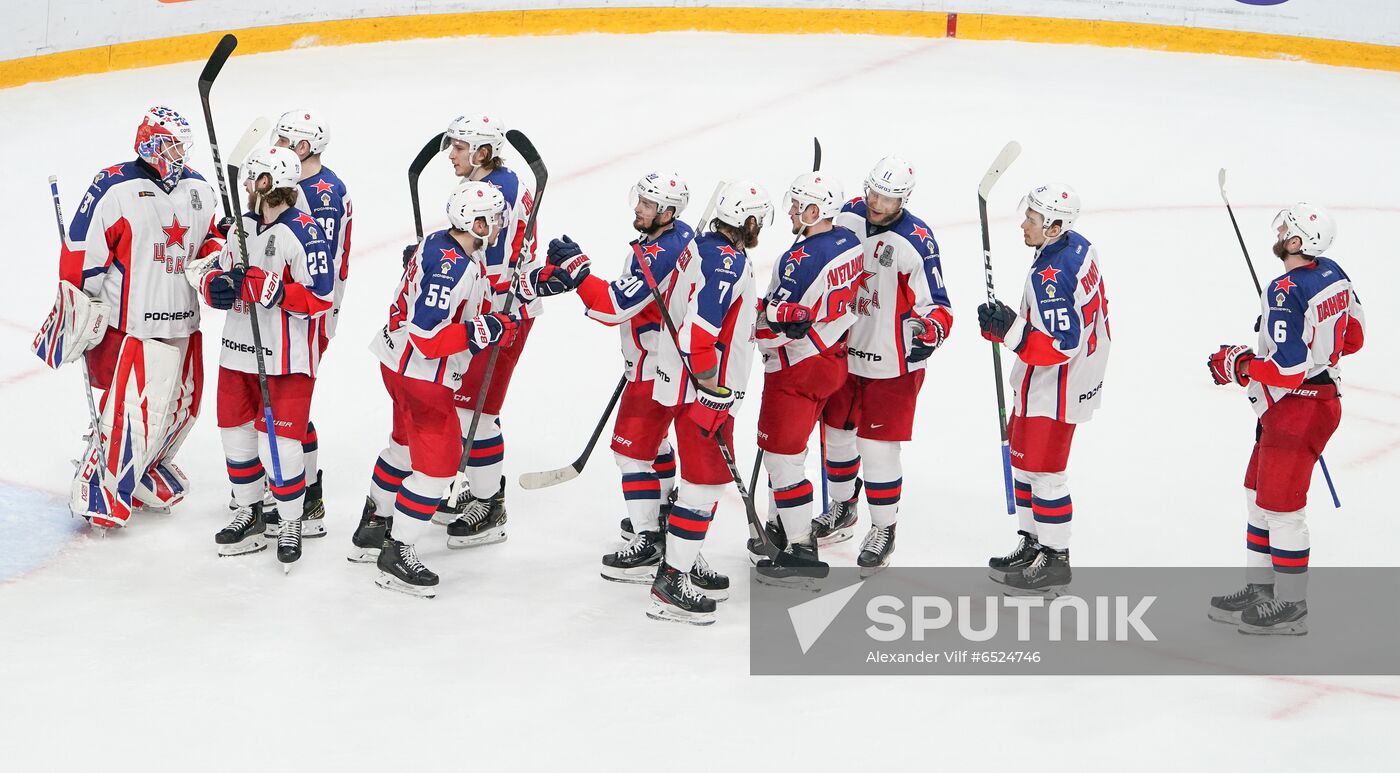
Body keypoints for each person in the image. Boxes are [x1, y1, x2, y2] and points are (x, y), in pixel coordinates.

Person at [549, 180, 771, 624]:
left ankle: (676, 557)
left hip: (674, 376)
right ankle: (673, 579)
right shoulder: (724, 260)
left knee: (685, 475)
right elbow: (699, 334)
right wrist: (713, 388)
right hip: (704, 386)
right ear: (749, 222)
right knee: (702, 486)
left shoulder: (699, 244)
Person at [351, 182, 582, 597]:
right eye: (493, 219)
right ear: (474, 221)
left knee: (402, 448)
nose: (498, 226)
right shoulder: (452, 266)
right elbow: (427, 335)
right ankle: (396, 551)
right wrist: (484, 330)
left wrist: (541, 280)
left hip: (395, 365)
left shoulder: (445, 245)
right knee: (437, 469)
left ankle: (372, 527)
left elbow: (484, 293)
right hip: (422, 376)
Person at [35, 106, 221, 530]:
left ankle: (145, 468)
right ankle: (98, 483)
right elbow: (81, 253)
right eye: (171, 145)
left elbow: (210, 240)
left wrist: (215, 260)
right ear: (151, 145)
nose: (179, 154)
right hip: (135, 326)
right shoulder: (114, 186)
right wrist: (79, 305)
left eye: (181, 146)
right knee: (135, 414)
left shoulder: (198, 187)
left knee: (183, 409)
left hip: (185, 322)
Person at [1206, 203, 1364, 635]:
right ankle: (1261, 589)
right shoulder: (1335, 273)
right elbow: (1354, 338)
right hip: (1307, 402)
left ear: (1297, 242)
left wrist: (1240, 366)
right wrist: (1306, 337)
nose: (1278, 231)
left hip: (1301, 406)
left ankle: (1292, 606)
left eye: (1285, 229)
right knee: (1257, 493)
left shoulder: (1284, 289)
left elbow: (1287, 369)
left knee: (1283, 508)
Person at [552, 171, 709, 588]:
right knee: (656, 444)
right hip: (670, 362)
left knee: (631, 453)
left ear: (668, 212)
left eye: (647, 204)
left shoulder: (660, 252)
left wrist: (578, 273)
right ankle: (661, 510)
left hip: (656, 368)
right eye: (639, 199)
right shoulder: (679, 236)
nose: (637, 208)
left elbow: (611, 307)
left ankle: (648, 539)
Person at [192, 145, 334, 568]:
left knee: (281, 447)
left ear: (272, 182)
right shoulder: (241, 228)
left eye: (254, 177)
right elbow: (218, 269)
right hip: (237, 353)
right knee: (235, 437)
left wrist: (276, 291)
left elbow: (322, 297)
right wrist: (214, 284)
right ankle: (250, 513)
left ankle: (290, 519)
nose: (247, 185)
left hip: (285, 361)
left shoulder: (305, 232)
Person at [817, 156, 953, 572]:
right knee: (836, 436)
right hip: (843, 352)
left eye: (888, 198)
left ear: (904, 199)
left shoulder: (917, 241)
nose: (877, 203)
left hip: (892, 365)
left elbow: (940, 307)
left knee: (877, 450)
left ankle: (883, 528)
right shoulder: (846, 217)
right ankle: (843, 509)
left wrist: (930, 331)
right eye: (873, 192)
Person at [977, 183, 1111, 595]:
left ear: (1054, 227)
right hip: (1057, 381)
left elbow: (1062, 345)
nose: (1023, 224)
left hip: (1057, 387)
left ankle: (1055, 560)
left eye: (1032, 220)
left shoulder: (1050, 277)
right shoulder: (1077, 246)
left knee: (1046, 474)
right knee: (1025, 464)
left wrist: (1010, 333)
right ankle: (1033, 542)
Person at [241, 109, 351, 540]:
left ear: (302, 149)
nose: (274, 146)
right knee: (278, 402)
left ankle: (306, 498)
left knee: (290, 404)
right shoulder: (301, 185)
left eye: (283, 140)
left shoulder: (320, 196)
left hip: (311, 312)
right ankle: (289, 487)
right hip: (286, 309)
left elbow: (312, 275)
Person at [433, 115, 540, 548]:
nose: (452, 156)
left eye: (459, 148)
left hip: (502, 312)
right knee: (466, 406)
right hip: (490, 310)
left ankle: (488, 504)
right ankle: (477, 492)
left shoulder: (496, 192)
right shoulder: (498, 182)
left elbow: (492, 264)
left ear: (481, 152)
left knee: (477, 410)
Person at [751, 172, 863, 582]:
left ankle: (800, 549)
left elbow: (769, 328)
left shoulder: (795, 261)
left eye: (799, 206)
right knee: (792, 452)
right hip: (833, 361)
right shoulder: (850, 243)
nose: (792, 211)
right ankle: (780, 526)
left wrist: (752, 315)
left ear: (816, 211)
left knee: (782, 459)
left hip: (796, 368)